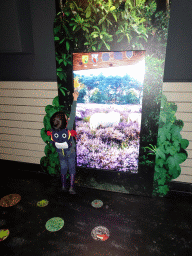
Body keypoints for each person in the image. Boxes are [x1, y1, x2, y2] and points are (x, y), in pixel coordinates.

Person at [48, 91, 79, 194]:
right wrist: (75, 98)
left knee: (63, 168)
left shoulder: (53, 130)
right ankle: (71, 188)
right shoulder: (69, 128)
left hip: (60, 152)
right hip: (70, 151)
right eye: (66, 118)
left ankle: (63, 186)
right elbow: (73, 113)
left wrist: (66, 121)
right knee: (72, 168)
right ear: (66, 122)